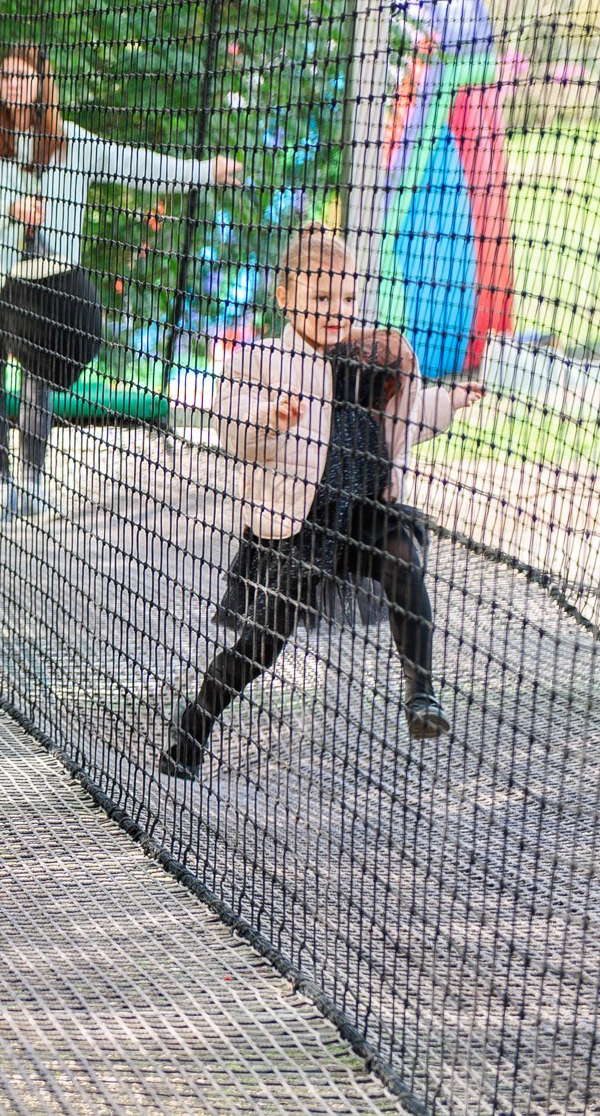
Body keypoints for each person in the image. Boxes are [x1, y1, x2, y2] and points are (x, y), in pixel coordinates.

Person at [157, 229, 487, 782]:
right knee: (262, 642)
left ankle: (421, 693)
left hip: (363, 508)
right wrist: (272, 419)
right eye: (321, 300)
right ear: (286, 299)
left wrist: (450, 399)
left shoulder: (373, 355)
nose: (338, 312)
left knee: (403, 556)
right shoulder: (262, 358)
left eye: (348, 299)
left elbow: (401, 424)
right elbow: (229, 424)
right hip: (299, 522)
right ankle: (196, 723)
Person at [0, 46, 241, 516]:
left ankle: (31, 483)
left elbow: (134, 164)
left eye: (24, 77)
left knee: (38, 381)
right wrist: (10, 209)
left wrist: (203, 172)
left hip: (47, 290)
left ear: (44, 84)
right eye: (7, 77)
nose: (14, 85)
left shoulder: (71, 142)